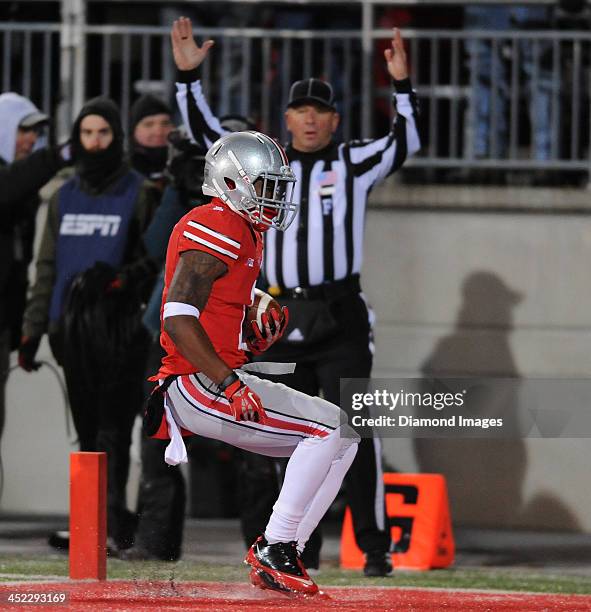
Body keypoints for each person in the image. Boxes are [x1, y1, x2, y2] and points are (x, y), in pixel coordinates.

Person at [170, 16, 420, 576]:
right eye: (300, 110)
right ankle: (289, 544)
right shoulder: (258, 173)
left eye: (320, 111)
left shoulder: (351, 162)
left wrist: (403, 89)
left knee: (351, 427)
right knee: (295, 432)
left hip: (338, 310)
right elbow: (217, 145)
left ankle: (369, 546)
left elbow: (408, 142)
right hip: (277, 311)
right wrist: (187, 81)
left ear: (335, 119)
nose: (310, 119)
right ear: (286, 119)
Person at [145, 129, 359, 596]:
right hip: (198, 382)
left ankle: (285, 551)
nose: (274, 196)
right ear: (232, 182)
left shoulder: (241, 229)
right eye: (265, 185)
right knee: (326, 431)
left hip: (213, 375)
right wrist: (230, 383)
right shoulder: (217, 222)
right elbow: (178, 317)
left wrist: (250, 336)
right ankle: (275, 546)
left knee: (343, 436)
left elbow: (211, 316)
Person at [19, 96, 160, 552]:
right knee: (87, 431)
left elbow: (154, 259)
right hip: (69, 333)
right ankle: (91, 526)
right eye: (86, 133)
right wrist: (33, 330)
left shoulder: (138, 191)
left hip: (120, 332)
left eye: (103, 133)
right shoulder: (63, 196)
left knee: (113, 429)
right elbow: (47, 268)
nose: (94, 142)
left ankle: (111, 526)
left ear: (116, 137)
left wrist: (121, 280)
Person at [0, 93, 70, 449]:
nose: (30, 139)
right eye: (24, 130)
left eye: (35, 132)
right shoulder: (14, 181)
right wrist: (58, 156)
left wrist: (20, 330)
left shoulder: (22, 187)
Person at [464, 4, 556, 161]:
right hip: (489, 12)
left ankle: (546, 158)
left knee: (541, 80)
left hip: (531, 12)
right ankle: (484, 154)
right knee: (484, 78)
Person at [129, 94, 174, 186]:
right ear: (134, 130)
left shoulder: (187, 165)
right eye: (149, 124)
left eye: (165, 123)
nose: (159, 132)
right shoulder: (121, 170)